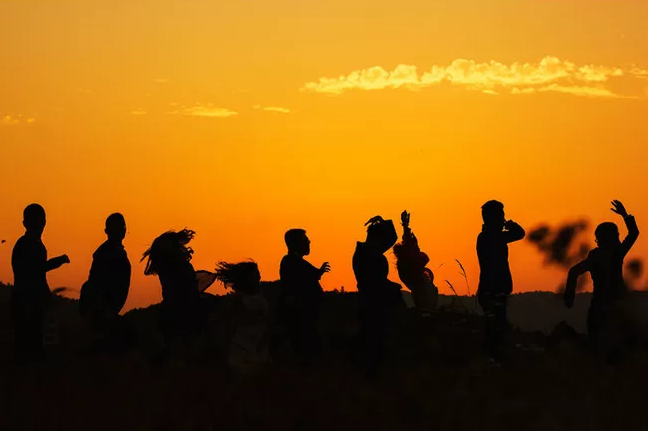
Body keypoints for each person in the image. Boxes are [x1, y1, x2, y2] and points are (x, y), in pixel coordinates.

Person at [564, 200, 639, 356]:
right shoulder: (616, 252)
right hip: (617, 304)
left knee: (598, 345)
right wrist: (625, 215)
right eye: (617, 235)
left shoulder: (596, 256)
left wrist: (569, 295)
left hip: (600, 305)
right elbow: (633, 234)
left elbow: (573, 272)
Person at [11, 204, 70, 360]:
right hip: (28, 304)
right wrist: (58, 262)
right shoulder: (28, 245)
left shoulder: (24, 244)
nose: (40, 225)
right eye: (37, 221)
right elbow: (35, 271)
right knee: (30, 350)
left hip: (28, 302)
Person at [352, 215, 402, 376]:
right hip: (372, 304)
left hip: (371, 302)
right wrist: (392, 288)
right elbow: (374, 282)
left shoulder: (365, 252)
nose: (387, 245)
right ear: (377, 238)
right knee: (373, 343)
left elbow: (392, 238)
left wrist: (385, 221)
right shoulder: (369, 255)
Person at [476, 200, 525, 364]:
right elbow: (520, 233)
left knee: (496, 327)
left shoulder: (488, 236)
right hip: (492, 291)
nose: (503, 218)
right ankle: (494, 361)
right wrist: (510, 224)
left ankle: (493, 359)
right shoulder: (492, 237)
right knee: (496, 329)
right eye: (501, 215)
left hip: (491, 290)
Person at [141, 229, 206, 347]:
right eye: (177, 246)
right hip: (184, 314)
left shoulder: (168, 268)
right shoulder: (176, 267)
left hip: (173, 314)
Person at [79, 213, 131, 353]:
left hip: (109, 311)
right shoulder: (104, 254)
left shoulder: (117, 253)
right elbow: (95, 284)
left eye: (122, 226)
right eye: (117, 227)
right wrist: (103, 311)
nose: (121, 229)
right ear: (107, 231)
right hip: (102, 313)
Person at [279, 229, 330, 363]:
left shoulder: (294, 261)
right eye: (305, 241)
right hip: (301, 317)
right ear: (296, 243)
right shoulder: (291, 262)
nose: (308, 243)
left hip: (306, 315)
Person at [215, 261, 270, 374]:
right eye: (255, 273)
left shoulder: (263, 293)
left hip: (259, 343)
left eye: (258, 272)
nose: (259, 275)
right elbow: (230, 321)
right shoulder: (237, 299)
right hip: (241, 345)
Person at [393, 211, 438, 315]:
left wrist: (405, 227)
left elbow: (408, 243)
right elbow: (410, 247)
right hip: (422, 297)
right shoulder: (411, 265)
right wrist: (405, 227)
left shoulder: (408, 263)